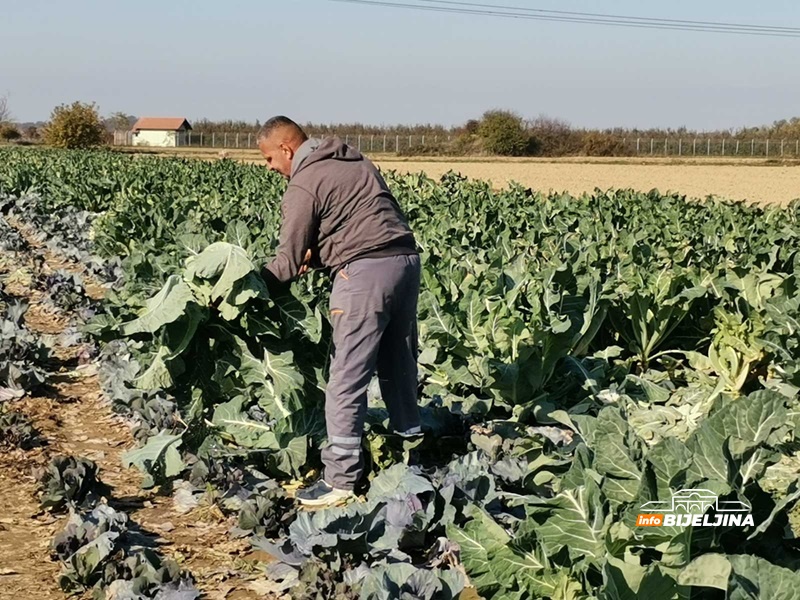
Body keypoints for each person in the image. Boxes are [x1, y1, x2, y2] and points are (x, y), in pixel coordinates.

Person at [258, 116, 422, 507]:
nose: (269, 168)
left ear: (286, 149)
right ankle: (412, 453)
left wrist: (245, 286)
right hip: (405, 263)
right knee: (398, 364)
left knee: (346, 378)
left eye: (267, 159)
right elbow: (363, 221)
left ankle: (340, 480)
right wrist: (317, 257)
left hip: (364, 276)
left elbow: (286, 260)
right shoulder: (355, 161)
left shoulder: (304, 182)